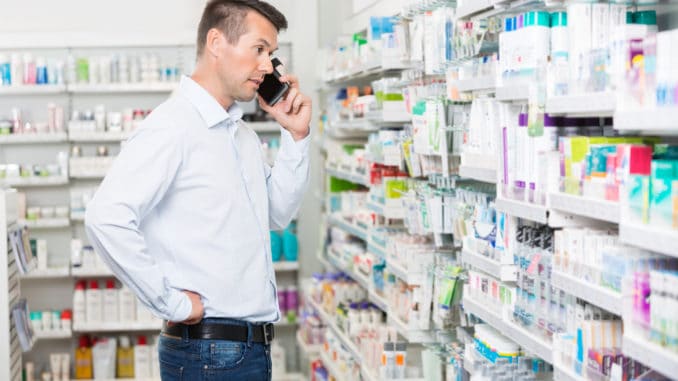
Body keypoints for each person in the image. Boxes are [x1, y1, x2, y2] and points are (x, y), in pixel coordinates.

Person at [84, 0, 311, 379]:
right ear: (216, 42)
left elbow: (278, 213)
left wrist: (296, 135)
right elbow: (105, 217)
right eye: (259, 49)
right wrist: (169, 302)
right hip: (209, 353)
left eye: (271, 54)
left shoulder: (240, 135)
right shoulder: (173, 126)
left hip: (243, 351)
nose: (268, 67)